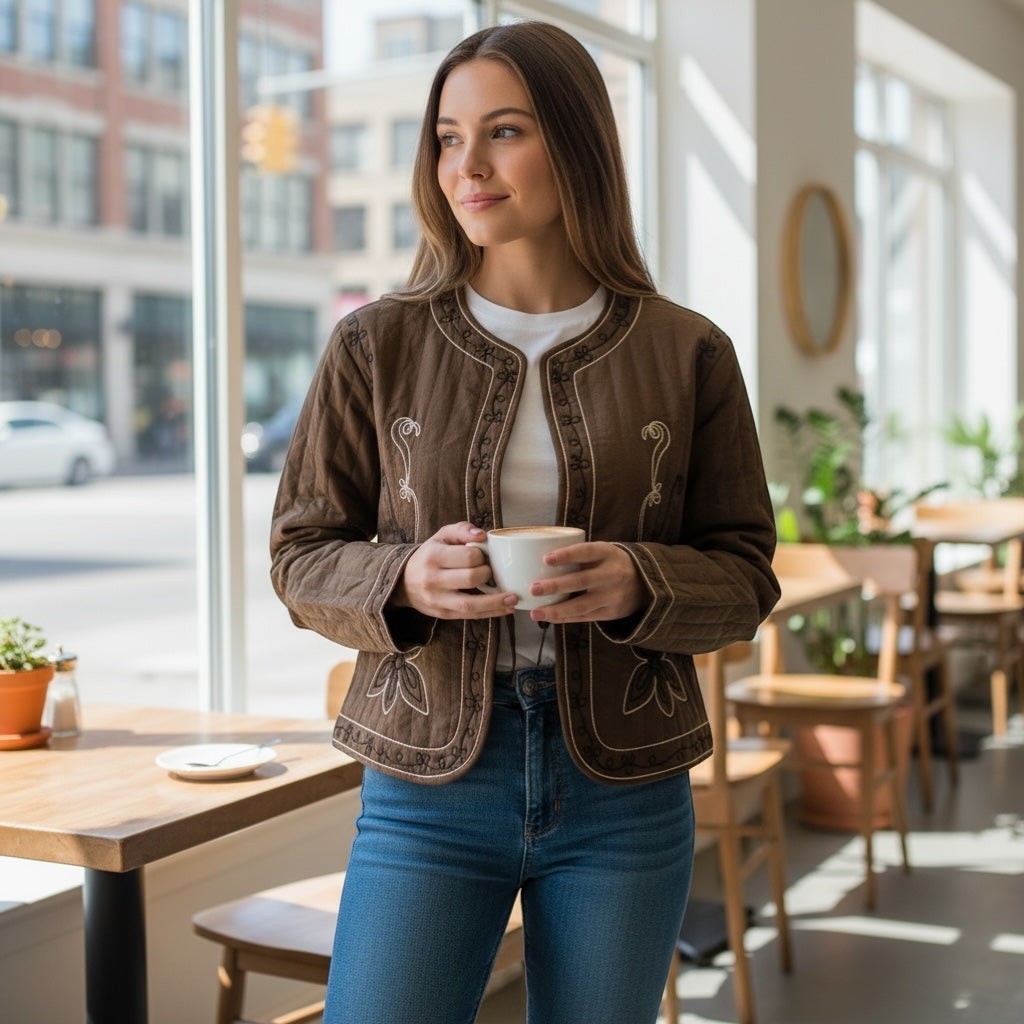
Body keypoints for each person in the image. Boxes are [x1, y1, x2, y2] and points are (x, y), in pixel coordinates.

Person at [270, 20, 779, 1024]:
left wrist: (643, 580)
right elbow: (300, 553)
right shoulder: (377, 342)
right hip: (427, 786)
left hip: (625, 786)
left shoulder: (689, 352)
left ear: (578, 142)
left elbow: (746, 571)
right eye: (448, 138)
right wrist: (403, 578)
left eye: (503, 131)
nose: (468, 165)